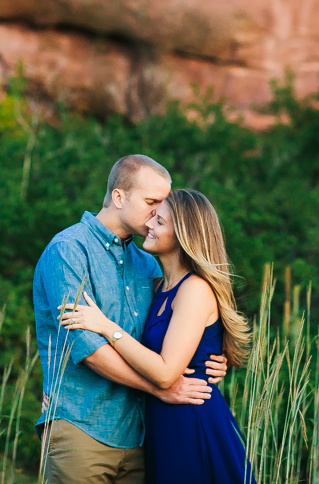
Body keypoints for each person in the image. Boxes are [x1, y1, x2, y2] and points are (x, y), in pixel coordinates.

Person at [33, 155, 230, 483]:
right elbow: (89, 350)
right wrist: (161, 389)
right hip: (84, 427)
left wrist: (205, 359)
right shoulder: (68, 251)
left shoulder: (149, 265)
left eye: (163, 205)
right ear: (119, 197)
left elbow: (167, 338)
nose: (157, 214)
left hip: (143, 435)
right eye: (152, 202)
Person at [60, 189, 255, 484]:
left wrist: (105, 326)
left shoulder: (195, 290)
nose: (149, 225)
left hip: (191, 420)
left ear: (184, 236)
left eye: (160, 222)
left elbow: (165, 374)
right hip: (162, 421)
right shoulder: (158, 286)